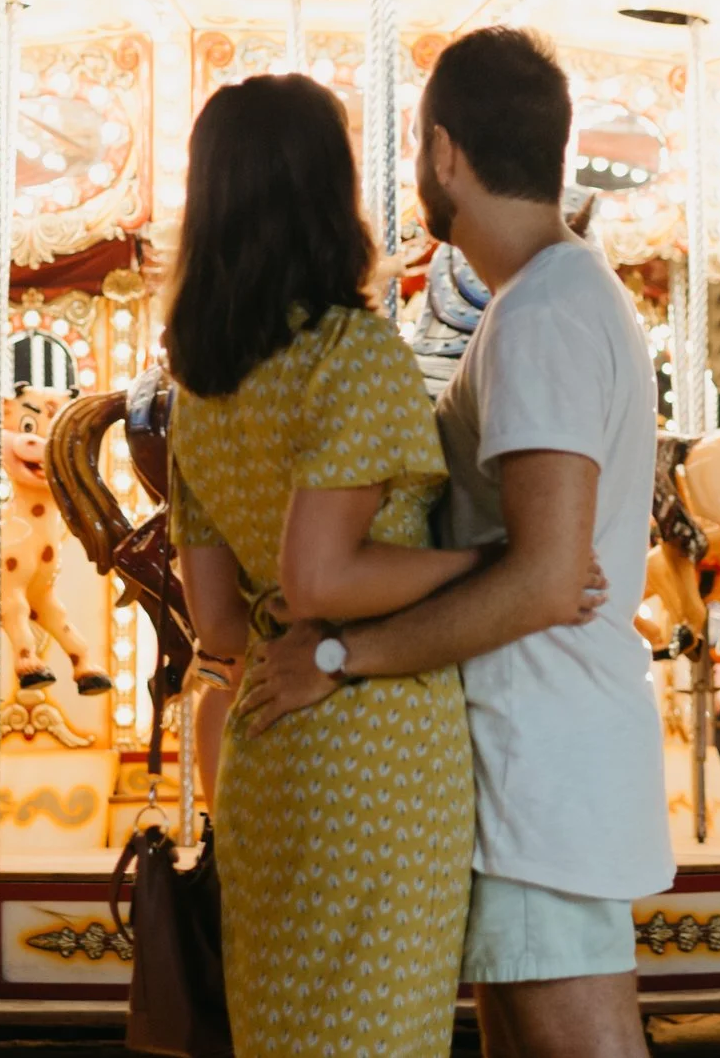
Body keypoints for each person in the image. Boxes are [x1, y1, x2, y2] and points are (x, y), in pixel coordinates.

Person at [239, 26, 670, 1058]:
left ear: (443, 153)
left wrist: (340, 659)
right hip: (525, 748)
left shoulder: (547, 314)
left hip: (542, 740)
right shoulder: (542, 301)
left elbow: (545, 574)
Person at [163, 72, 486, 1058]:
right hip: (375, 751)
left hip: (266, 748)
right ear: (326, 189)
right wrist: (475, 563)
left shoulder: (198, 387)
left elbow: (218, 621)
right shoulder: (351, 355)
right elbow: (322, 579)